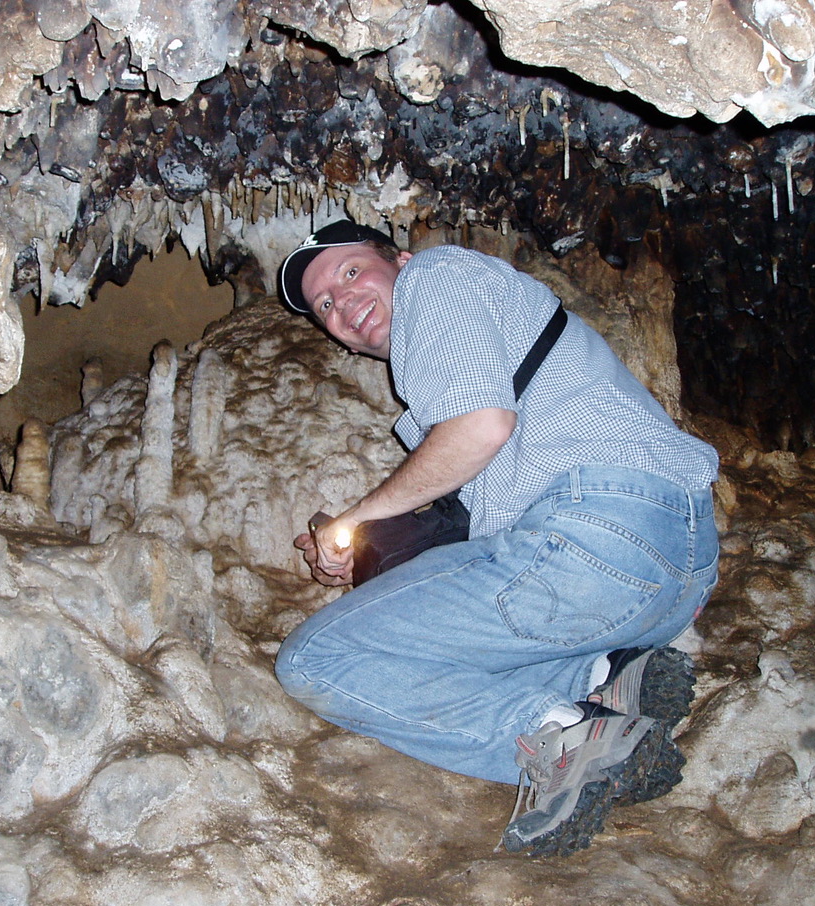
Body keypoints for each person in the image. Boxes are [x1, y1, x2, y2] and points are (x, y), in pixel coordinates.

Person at [273, 219, 719, 856]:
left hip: (597, 535)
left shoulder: (437, 274)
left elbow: (480, 428)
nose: (341, 303)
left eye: (349, 273)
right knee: (445, 636)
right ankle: (608, 676)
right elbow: (449, 535)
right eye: (324, 305)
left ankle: (559, 733)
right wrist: (362, 549)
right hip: (674, 571)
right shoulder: (470, 353)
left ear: (399, 259)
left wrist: (357, 517)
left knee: (314, 660)